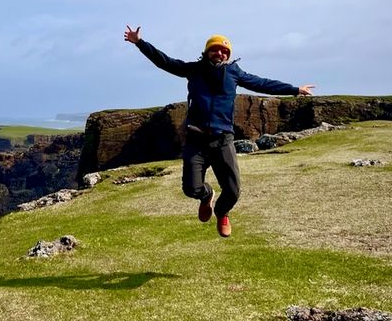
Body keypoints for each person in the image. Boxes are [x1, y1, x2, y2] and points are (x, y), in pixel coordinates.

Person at [124, 26, 314, 237]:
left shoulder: (234, 73)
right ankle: (206, 196)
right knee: (191, 189)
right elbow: (165, 62)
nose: (220, 53)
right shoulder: (194, 70)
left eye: (224, 51)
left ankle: (222, 212)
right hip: (196, 140)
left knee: (233, 191)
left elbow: (262, 84)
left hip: (223, 140)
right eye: (215, 49)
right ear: (206, 52)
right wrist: (140, 43)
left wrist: (294, 89)